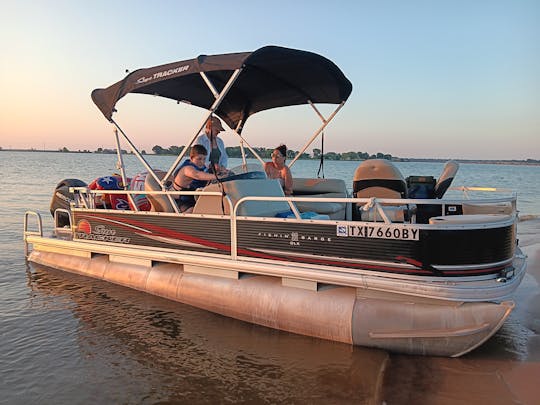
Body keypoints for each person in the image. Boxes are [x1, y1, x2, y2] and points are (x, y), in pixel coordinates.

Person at [172, 144, 226, 213]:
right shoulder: (187, 168)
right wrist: (218, 177)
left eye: (204, 159)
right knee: (194, 210)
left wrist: (222, 172)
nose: (202, 162)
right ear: (191, 158)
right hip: (181, 201)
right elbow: (197, 175)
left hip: (191, 198)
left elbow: (207, 174)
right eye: (199, 159)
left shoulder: (200, 167)